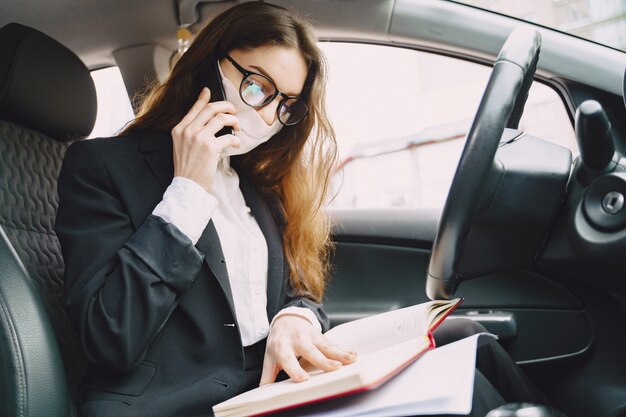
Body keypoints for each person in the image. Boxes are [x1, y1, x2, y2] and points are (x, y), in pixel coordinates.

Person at [55, 3, 545, 417]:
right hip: (182, 405)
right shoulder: (101, 167)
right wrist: (186, 192)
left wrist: (296, 318)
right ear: (208, 65)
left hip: (276, 393)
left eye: (286, 104)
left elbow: (298, 293)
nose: (269, 116)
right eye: (256, 86)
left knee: (466, 338)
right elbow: (110, 336)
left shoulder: (256, 185)